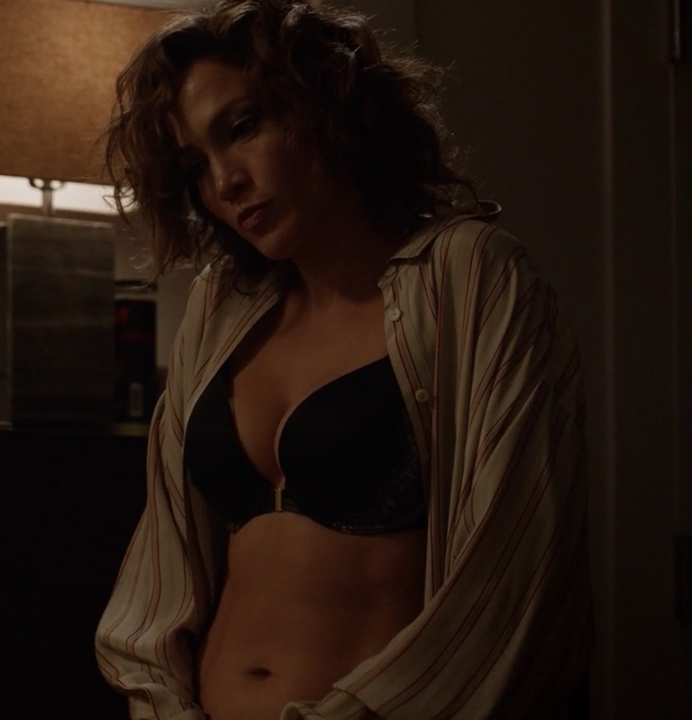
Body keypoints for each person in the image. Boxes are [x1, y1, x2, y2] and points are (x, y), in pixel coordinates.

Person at [93, 1, 592, 719]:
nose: (225, 182)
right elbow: (156, 581)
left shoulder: (468, 274)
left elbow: (513, 576)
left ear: (325, 104)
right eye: (196, 164)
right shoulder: (221, 308)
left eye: (243, 128)